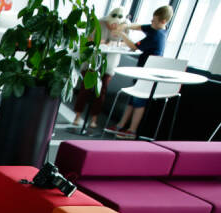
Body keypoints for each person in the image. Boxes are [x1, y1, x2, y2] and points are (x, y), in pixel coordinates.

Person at [105, 5, 173, 139]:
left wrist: (122, 34)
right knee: (132, 100)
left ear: (163, 21)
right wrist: (126, 26)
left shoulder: (157, 36)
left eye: (154, 20)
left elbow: (134, 48)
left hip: (148, 73)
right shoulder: (157, 28)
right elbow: (140, 26)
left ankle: (132, 131)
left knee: (139, 101)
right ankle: (121, 125)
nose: (151, 22)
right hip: (142, 71)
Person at [71, 6, 127, 130]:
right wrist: (99, 41)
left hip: (109, 63)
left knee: (102, 91)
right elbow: (88, 38)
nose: (113, 27)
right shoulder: (99, 23)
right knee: (85, 88)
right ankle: (77, 115)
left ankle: (94, 118)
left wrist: (116, 41)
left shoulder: (125, 26)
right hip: (92, 60)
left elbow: (128, 43)